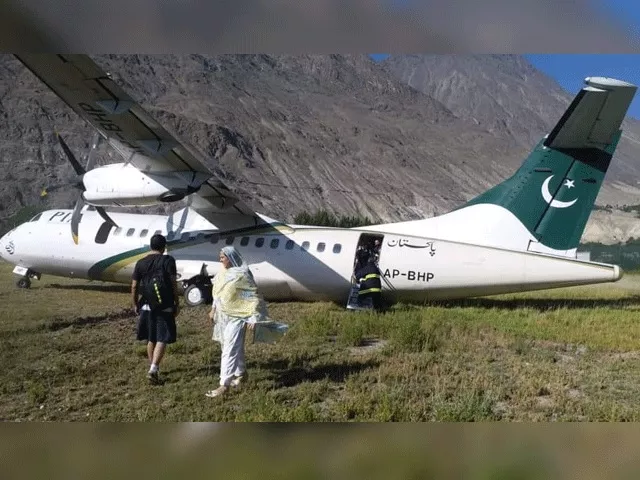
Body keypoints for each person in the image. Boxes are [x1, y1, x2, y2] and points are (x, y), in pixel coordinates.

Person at [206, 246, 266, 398]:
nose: (220, 259)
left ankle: (224, 385)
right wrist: (213, 309)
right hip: (223, 316)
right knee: (228, 345)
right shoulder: (222, 273)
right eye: (220, 257)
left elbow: (251, 295)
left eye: (223, 257)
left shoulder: (242, 274)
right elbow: (217, 293)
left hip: (238, 316)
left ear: (231, 258)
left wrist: (253, 317)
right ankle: (241, 373)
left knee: (230, 347)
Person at [130, 234, 180, 384]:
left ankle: (153, 368)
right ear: (164, 247)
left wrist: (135, 303)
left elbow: (134, 286)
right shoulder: (168, 260)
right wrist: (176, 302)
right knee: (162, 337)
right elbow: (173, 283)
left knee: (151, 337)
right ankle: (153, 369)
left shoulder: (140, 263)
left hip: (146, 304)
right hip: (164, 304)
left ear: (150, 246)